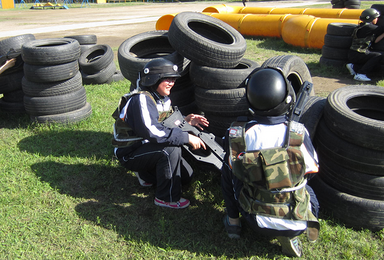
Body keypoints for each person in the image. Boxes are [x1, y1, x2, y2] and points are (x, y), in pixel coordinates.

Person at [221, 68, 320, 257]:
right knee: (305, 183)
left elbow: (234, 171)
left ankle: (233, 222)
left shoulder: (237, 133)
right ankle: (290, 234)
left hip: (255, 218)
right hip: (300, 217)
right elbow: (312, 169)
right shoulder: (298, 132)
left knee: (227, 169)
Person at [112, 58, 208, 209]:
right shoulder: (141, 99)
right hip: (130, 152)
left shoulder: (162, 98)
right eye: (167, 79)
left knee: (186, 176)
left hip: (147, 147)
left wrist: (186, 120)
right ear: (153, 79)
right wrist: (186, 137)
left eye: (173, 79)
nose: (172, 83)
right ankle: (166, 198)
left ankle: (144, 173)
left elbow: (167, 121)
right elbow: (153, 132)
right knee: (170, 149)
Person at [346, 8, 384, 82]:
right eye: (376, 18)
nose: (377, 20)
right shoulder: (369, 27)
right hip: (358, 54)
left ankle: (354, 67)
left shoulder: (363, 27)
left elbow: (375, 41)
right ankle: (361, 74)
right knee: (378, 55)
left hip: (354, 53)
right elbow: (382, 28)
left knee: (377, 66)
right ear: (371, 18)